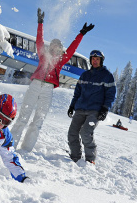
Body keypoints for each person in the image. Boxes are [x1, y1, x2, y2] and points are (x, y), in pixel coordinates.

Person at [10, 8, 94, 152]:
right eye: (54, 44)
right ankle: (10, 145)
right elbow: (39, 40)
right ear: (51, 46)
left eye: (59, 46)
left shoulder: (61, 60)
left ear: (61, 49)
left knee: (38, 121)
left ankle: (26, 148)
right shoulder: (43, 55)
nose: (56, 46)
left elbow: (72, 49)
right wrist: (40, 23)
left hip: (48, 90)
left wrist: (81, 34)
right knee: (24, 116)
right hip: (35, 85)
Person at [67, 49, 116, 164]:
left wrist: (105, 108)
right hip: (80, 108)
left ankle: (90, 159)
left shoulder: (107, 76)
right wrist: (72, 106)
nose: (95, 61)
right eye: (93, 59)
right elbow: (77, 93)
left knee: (85, 132)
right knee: (72, 133)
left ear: (101, 61)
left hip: (95, 111)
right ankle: (75, 157)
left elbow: (111, 94)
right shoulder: (85, 75)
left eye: (97, 59)